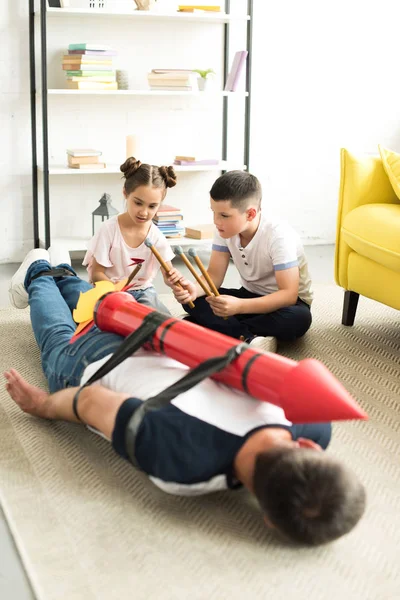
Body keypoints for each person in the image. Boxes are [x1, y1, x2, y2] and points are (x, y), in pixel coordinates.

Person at [5, 249, 366, 546]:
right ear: (269, 519)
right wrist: (43, 407)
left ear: (309, 448)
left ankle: (59, 270)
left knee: (101, 305)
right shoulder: (182, 466)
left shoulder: (314, 418)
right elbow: (89, 402)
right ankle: (39, 272)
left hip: (164, 334)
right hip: (95, 360)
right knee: (56, 335)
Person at [169, 170, 314, 353]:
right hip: (250, 294)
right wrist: (193, 290)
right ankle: (247, 337)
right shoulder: (223, 230)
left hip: (287, 303)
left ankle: (215, 327)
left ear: (250, 214)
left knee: (299, 319)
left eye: (224, 215)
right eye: (214, 212)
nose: (216, 221)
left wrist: (238, 307)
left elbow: (288, 295)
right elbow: (213, 275)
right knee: (196, 299)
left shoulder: (278, 235)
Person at [83, 157, 182, 314]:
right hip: (110, 289)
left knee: (159, 319)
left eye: (152, 206)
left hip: (142, 290)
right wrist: (117, 292)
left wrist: (174, 279)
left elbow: (167, 273)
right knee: (104, 320)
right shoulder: (108, 229)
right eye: (138, 203)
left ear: (160, 203)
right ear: (125, 193)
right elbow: (96, 274)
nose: (144, 212)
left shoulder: (155, 236)